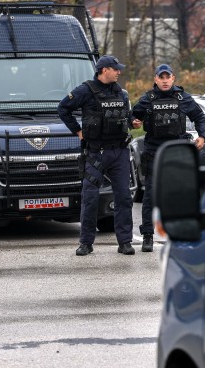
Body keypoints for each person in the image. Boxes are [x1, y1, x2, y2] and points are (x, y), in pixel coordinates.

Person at [58, 55, 135, 256]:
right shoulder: (86, 90)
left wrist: (133, 122)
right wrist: (78, 131)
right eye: (115, 69)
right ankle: (86, 243)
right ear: (104, 70)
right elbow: (63, 108)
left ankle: (125, 242)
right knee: (90, 198)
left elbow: (127, 116)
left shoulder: (120, 92)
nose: (119, 72)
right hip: (96, 153)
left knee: (124, 197)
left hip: (119, 151)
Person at [131, 64, 205, 252]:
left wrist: (202, 136)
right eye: (161, 77)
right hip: (154, 152)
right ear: (156, 79)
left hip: (177, 152)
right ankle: (148, 235)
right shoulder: (147, 99)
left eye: (168, 77)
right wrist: (133, 122)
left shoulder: (183, 98)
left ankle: (182, 234)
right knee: (150, 195)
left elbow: (199, 117)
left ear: (173, 78)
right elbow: (133, 116)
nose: (165, 81)